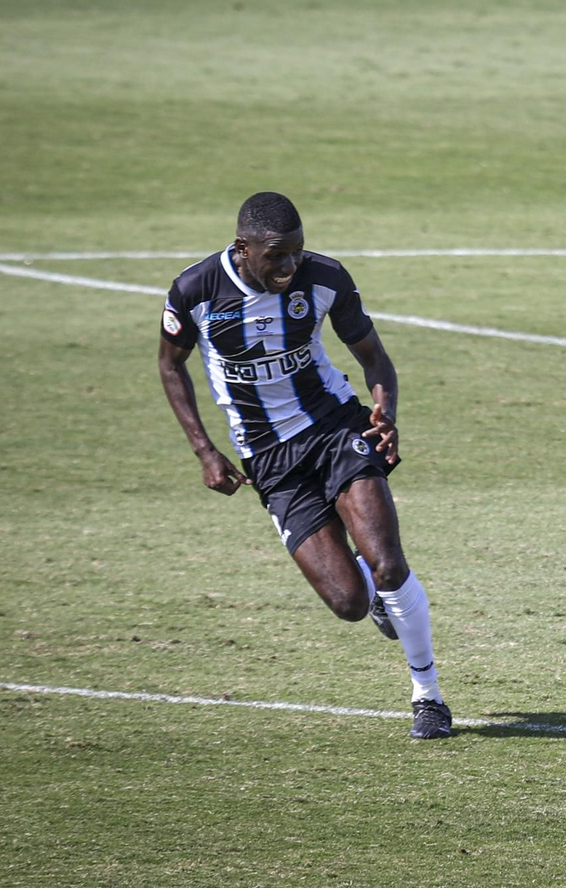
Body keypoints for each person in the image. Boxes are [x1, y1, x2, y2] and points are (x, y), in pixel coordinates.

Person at [156, 192, 450, 740]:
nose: (289, 267)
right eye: (276, 256)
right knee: (349, 602)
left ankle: (428, 696)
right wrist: (204, 450)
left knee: (389, 563)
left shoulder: (325, 279)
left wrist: (385, 408)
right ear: (243, 248)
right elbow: (171, 366)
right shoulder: (194, 291)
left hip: (336, 427)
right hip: (268, 458)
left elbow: (373, 356)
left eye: (297, 253)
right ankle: (374, 593)